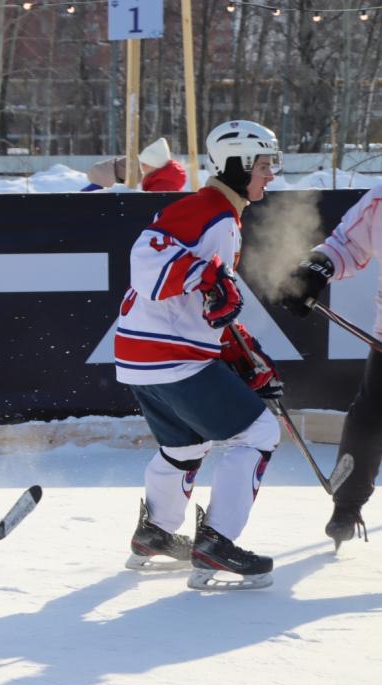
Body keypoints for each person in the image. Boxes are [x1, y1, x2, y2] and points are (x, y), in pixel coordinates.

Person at [114, 120, 284, 590]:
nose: (272, 174)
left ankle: (156, 532)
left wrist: (246, 353)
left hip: (142, 355)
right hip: (170, 356)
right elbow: (146, 260)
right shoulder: (209, 210)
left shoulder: (219, 213)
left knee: (185, 446)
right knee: (258, 432)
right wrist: (207, 276)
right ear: (237, 165)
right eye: (265, 165)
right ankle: (217, 544)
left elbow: (208, 304)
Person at [280, 184, 382, 549]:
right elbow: (346, 245)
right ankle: (347, 505)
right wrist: (315, 269)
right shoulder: (380, 199)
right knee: (368, 420)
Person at [83, 137, 187, 192]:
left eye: (144, 164)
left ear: (155, 166)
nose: (141, 166)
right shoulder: (161, 179)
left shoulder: (162, 186)